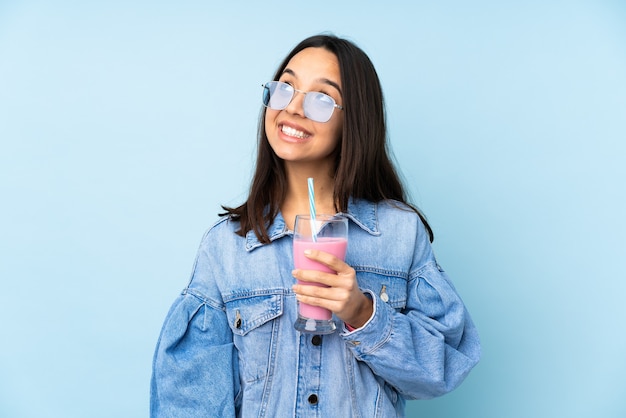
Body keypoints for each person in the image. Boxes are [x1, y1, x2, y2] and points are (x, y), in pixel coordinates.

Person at [150, 34, 480, 417]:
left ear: (353, 119)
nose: (293, 107)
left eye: (322, 99)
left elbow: (443, 369)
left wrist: (363, 314)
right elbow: (190, 402)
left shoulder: (400, 235)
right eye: (285, 87)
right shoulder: (227, 246)